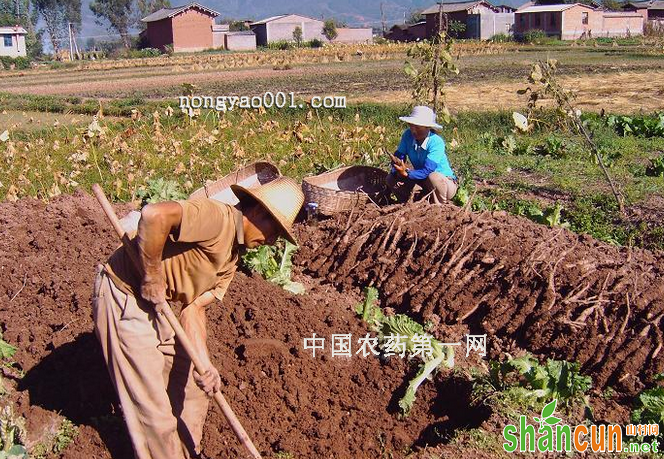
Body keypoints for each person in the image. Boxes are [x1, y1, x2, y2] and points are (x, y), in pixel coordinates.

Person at [92, 177, 304, 459]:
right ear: (257, 212)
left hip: (161, 304)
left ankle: (186, 453)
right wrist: (152, 274)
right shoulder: (216, 218)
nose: (273, 240)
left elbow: (194, 308)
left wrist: (204, 365)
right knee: (153, 409)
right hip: (126, 295)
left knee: (195, 385)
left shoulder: (231, 258)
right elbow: (154, 215)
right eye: (274, 229)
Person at [386, 105, 458, 204]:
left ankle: (440, 207)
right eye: (411, 125)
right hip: (422, 181)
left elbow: (428, 170)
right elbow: (400, 155)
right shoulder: (408, 135)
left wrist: (407, 174)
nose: (413, 130)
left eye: (418, 127)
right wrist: (397, 166)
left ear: (428, 127)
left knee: (434, 177)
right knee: (390, 179)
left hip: (444, 185)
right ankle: (406, 203)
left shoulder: (436, 142)